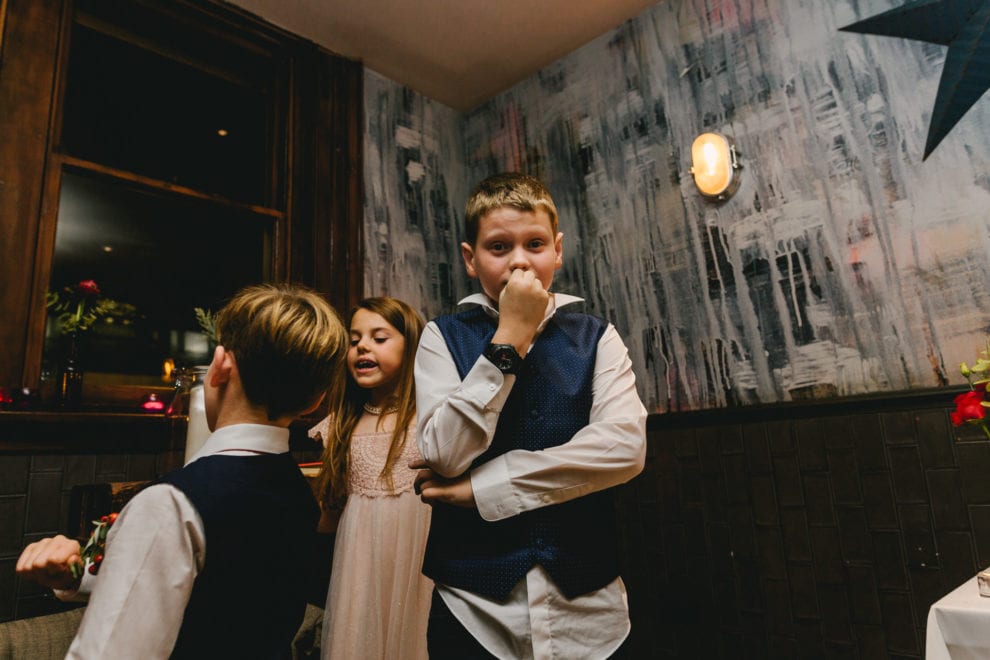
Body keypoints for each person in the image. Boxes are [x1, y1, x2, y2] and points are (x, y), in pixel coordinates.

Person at [16, 283, 347, 659]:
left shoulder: (172, 504)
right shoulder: (299, 492)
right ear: (315, 401)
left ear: (220, 366)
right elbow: (220, 592)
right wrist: (78, 578)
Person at [412, 172, 648, 659]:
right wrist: (510, 337)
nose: (520, 260)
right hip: (473, 611)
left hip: (589, 613)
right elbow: (444, 453)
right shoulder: (440, 337)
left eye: (535, 243)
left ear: (557, 251)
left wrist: (483, 489)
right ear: (470, 259)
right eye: (499, 247)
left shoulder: (598, 338)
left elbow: (624, 447)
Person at [309, 296, 433, 659]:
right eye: (354, 340)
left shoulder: (431, 421)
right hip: (359, 566)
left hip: (420, 562)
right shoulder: (339, 426)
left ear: (412, 347)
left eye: (379, 338)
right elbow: (330, 511)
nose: (362, 345)